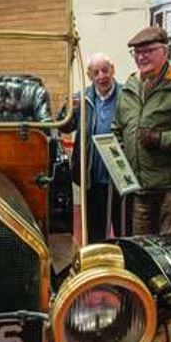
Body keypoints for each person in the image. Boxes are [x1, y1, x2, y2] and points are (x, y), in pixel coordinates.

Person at [115, 26, 171, 236]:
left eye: (148, 51)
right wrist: (121, 160)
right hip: (140, 189)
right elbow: (118, 129)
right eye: (137, 53)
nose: (141, 57)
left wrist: (160, 139)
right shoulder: (129, 87)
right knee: (143, 251)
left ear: (164, 51)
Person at [58, 52, 123, 243]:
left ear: (113, 70)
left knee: (123, 228)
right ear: (89, 76)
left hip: (120, 177)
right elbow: (63, 126)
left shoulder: (126, 95)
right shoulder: (82, 99)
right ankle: (98, 265)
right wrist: (67, 110)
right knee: (94, 230)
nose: (101, 76)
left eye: (105, 70)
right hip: (91, 178)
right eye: (96, 72)